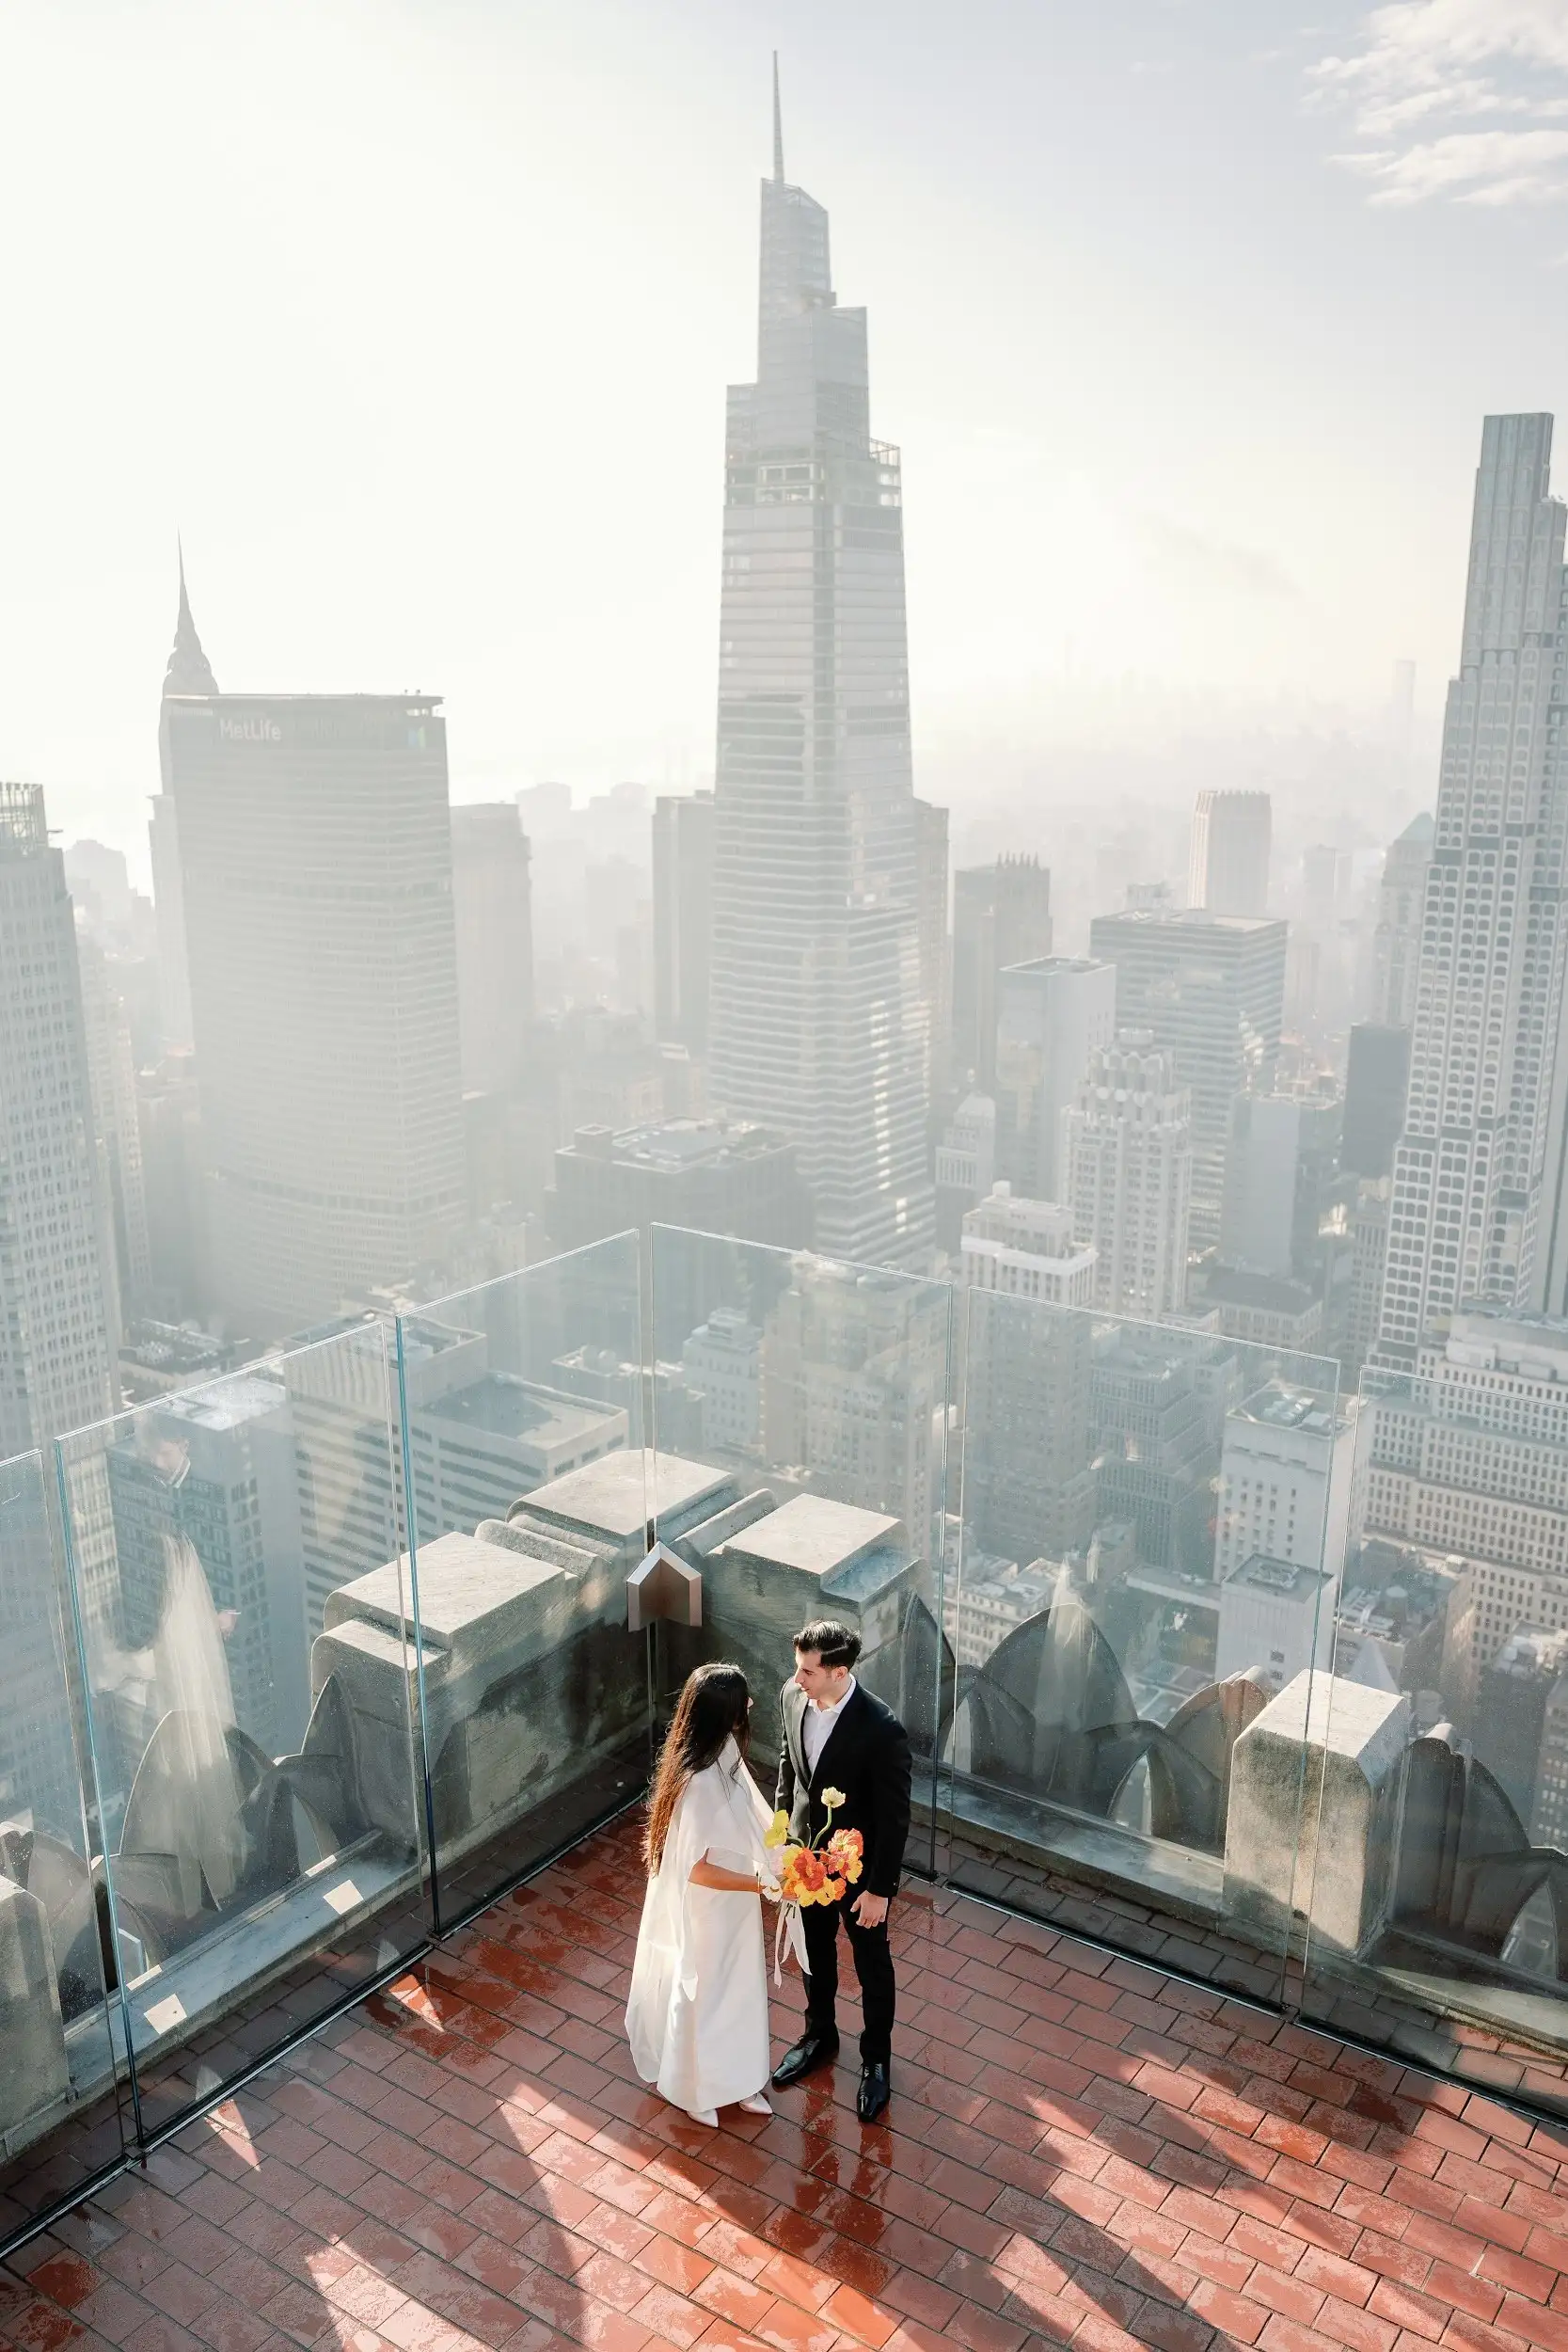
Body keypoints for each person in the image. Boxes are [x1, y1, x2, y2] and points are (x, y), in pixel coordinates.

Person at [626, 1661, 797, 2128]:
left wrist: (785, 1858)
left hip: (735, 1900)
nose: (752, 1705)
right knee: (702, 1995)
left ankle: (739, 2081)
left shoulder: (720, 1751)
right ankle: (692, 2088)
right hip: (707, 1908)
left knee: (740, 1990)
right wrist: (761, 1884)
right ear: (727, 1714)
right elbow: (696, 1871)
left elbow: (752, 1812)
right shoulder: (698, 1782)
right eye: (744, 1700)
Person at [770, 1619, 911, 2122]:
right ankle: (819, 2037)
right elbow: (789, 1767)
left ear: (839, 1671)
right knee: (814, 1954)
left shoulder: (881, 1728)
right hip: (806, 1864)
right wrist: (783, 1837)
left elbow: (895, 1819)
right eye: (798, 1668)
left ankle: (876, 2061)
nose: (798, 1679)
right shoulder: (792, 1697)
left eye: (809, 1671)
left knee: (872, 1965)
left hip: (859, 1877)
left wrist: (880, 1890)